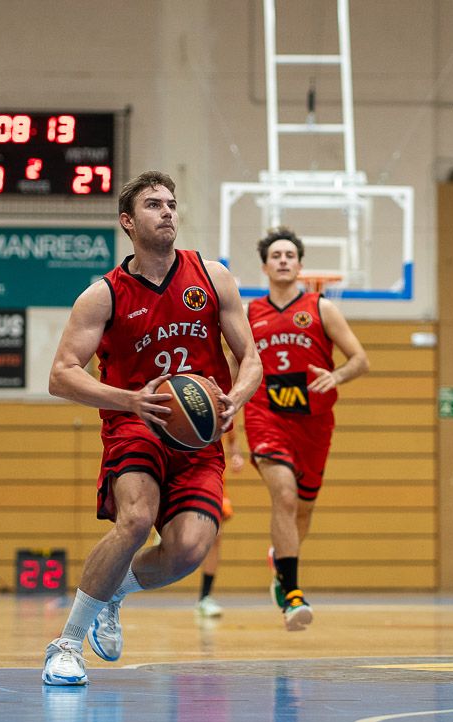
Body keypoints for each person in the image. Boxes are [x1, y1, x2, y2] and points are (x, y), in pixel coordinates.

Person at [41, 170, 261, 686]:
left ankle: (114, 591)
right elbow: (61, 375)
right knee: (137, 520)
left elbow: (250, 356)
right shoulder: (103, 295)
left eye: (171, 203)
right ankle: (66, 644)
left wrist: (235, 399)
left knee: (189, 550)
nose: (166, 212)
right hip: (134, 426)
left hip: (198, 435)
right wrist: (129, 401)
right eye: (153, 205)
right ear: (127, 221)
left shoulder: (212, 276)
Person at [244, 226, 369, 631]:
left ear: (299, 265)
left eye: (289, 255)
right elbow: (235, 364)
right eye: (275, 255)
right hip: (266, 413)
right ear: (264, 266)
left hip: (314, 420)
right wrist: (227, 403)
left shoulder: (322, 308)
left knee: (303, 506)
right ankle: (292, 594)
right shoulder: (249, 313)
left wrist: (337, 377)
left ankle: (281, 559)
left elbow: (359, 360)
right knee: (283, 493)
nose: (282, 260)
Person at [194, 426, 246, 618]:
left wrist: (236, 455)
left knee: (216, 535)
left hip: (212, 476)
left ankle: (205, 597)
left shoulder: (223, 405)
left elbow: (232, 438)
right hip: (182, 472)